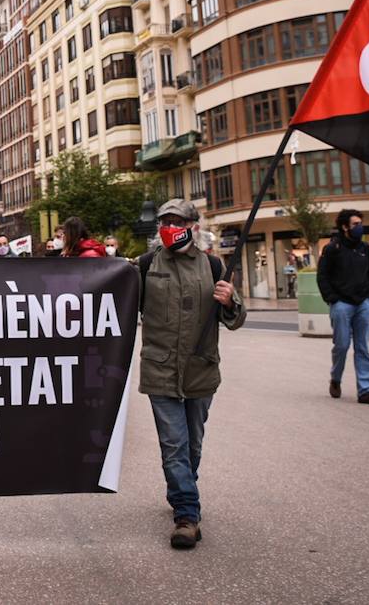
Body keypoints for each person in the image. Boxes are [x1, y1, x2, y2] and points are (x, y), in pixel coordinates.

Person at [137, 199, 244, 550]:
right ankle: (187, 515)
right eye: (164, 221)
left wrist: (230, 302)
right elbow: (115, 306)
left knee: (192, 444)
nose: (168, 226)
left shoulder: (213, 265)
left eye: (176, 220)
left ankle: (183, 488)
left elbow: (234, 320)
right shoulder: (146, 265)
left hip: (200, 370)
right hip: (160, 369)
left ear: (194, 226)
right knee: (174, 445)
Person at [316, 209, 369, 406]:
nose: (360, 227)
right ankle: (336, 379)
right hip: (341, 305)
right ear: (345, 226)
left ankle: (365, 391)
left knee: (362, 347)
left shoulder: (366, 249)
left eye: (360, 223)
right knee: (341, 345)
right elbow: (322, 277)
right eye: (356, 224)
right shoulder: (332, 249)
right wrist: (333, 299)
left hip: (363, 304)